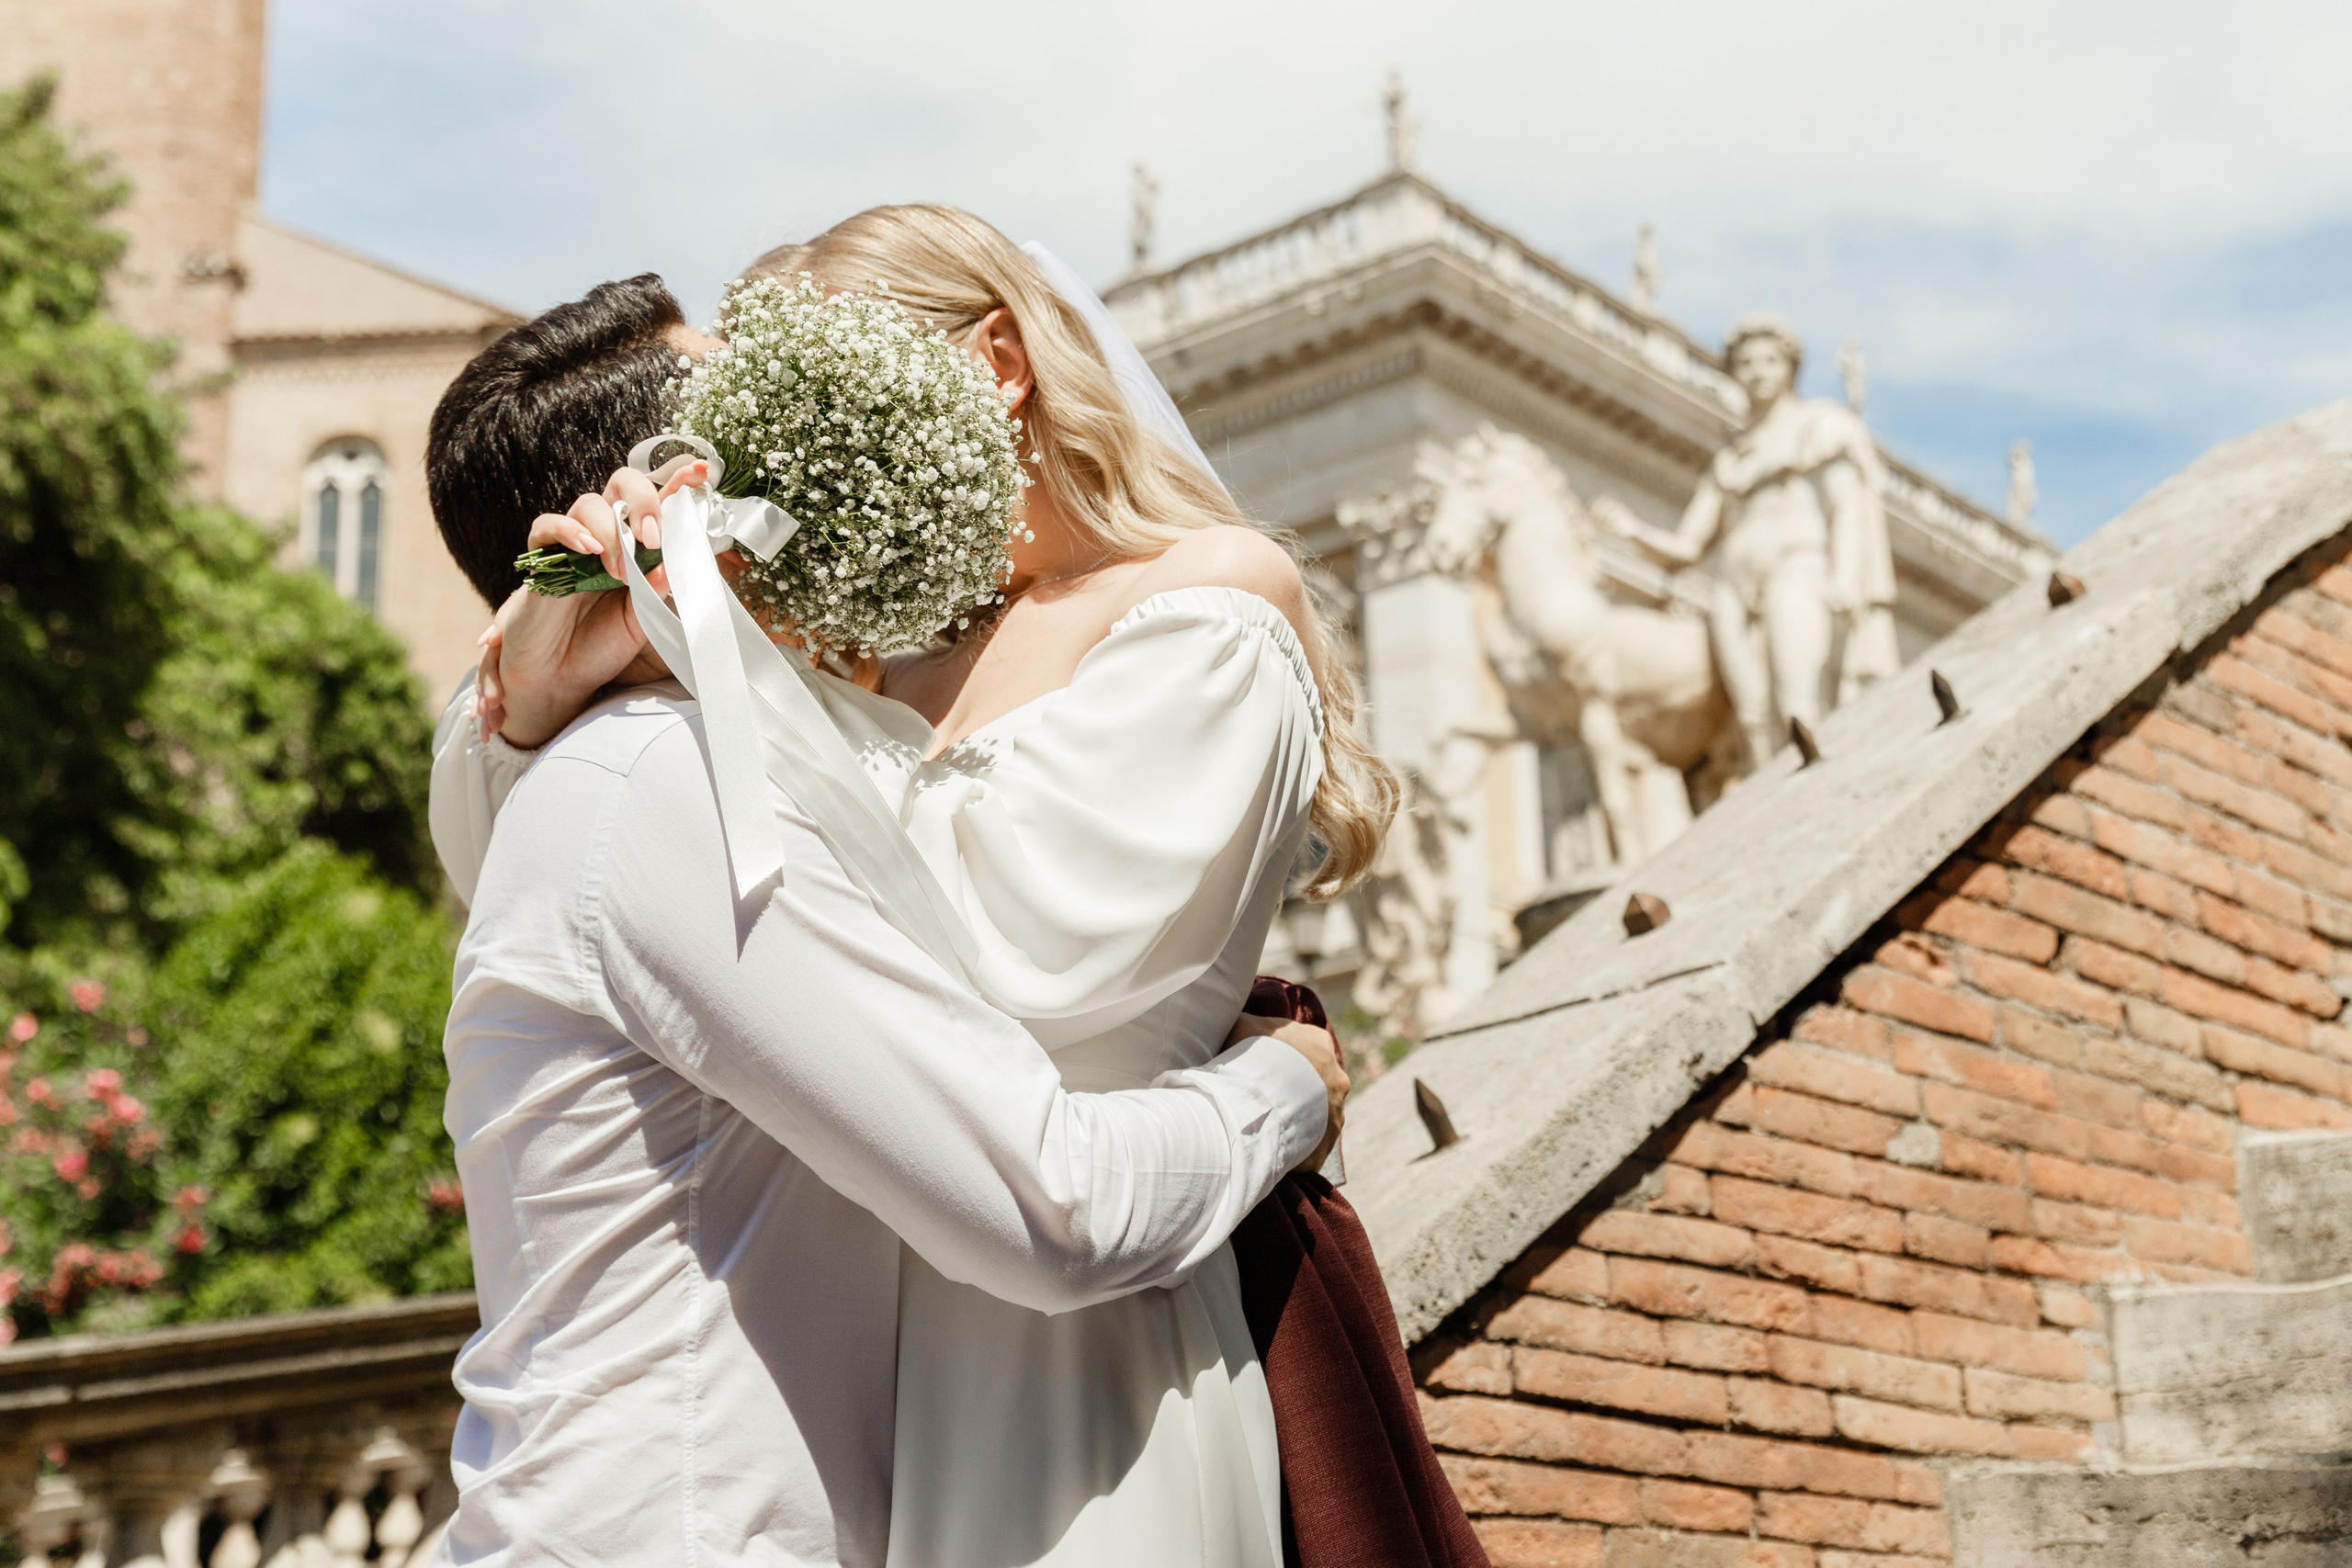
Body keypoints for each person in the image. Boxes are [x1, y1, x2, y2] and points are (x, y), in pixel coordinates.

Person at [434, 209, 1476, 1568]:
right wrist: (536, 696)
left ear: (996, 360)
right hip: (962, 1305)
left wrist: (579, 695)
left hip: (1089, 1352)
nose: (785, 466)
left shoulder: (1201, 603)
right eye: (747, 431)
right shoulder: (728, 742)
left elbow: (1019, 956)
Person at [1602, 311, 1899, 765]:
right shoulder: (1731, 457)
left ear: (1791, 368)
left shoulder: (1818, 428)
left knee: (1795, 698)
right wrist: (1631, 531)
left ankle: (1819, 790)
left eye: (1769, 360)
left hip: (1795, 568)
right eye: (1745, 363)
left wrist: (1842, 578)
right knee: (1751, 720)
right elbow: (1687, 549)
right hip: (1732, 588)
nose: (1757, 371)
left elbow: (1847, 509)